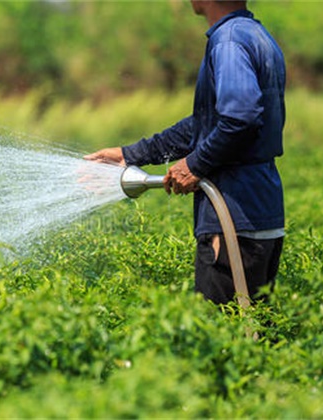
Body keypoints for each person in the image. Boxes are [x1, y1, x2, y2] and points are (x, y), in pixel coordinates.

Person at [84, 0, 286, 305]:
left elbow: (240, 117)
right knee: (253, 335)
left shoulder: (228, 41)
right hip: (261, 212)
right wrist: (132, 155)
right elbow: (207, 124)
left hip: (232, 217)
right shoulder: (256, 35)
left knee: (220, 340)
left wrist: (195, 165)